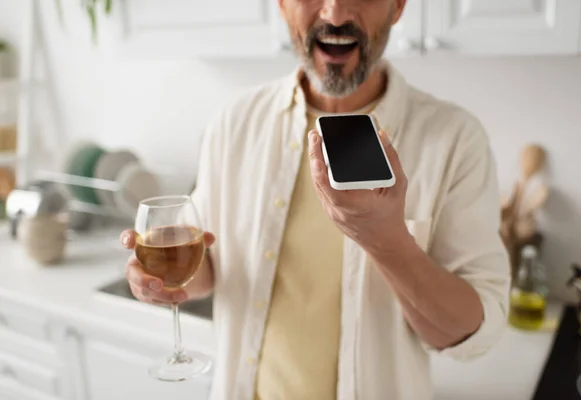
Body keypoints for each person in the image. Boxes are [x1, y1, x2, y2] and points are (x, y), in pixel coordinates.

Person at [120, 0, 510, 399]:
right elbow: (212, 270)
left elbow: (472, 334)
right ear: (282, 5)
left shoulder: (455, 139)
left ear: (397, 7)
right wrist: (165, 278)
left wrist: (387, 241)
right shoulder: (235, 122)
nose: (335, 13)